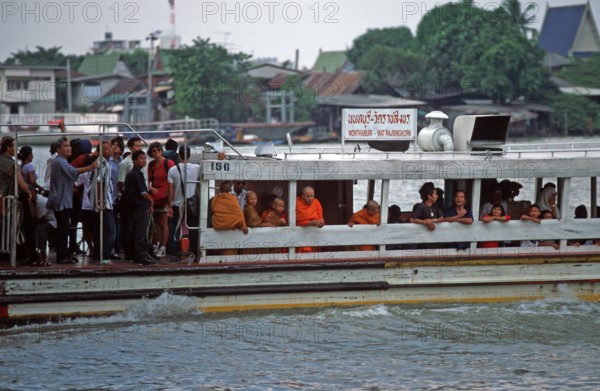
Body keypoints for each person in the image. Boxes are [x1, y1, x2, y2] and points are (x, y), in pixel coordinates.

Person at [46, 137, 99, 264]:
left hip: (64, 199)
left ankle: (65, 253)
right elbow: (74, 172)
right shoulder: (60, 162)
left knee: (64, 228)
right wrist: (91, 166)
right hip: (61, 200)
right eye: (65, 146)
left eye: (69, 145)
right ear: (58, 149)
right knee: (63, 229)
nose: (69, 148)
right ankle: (62, 256)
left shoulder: (62, 161)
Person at [0, 136, 38, 264]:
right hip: (12, 199)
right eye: (15, 146)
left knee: (13, 228)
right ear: (8, 149)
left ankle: (20, 254)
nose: (17, 149)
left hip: (5, 199)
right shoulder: (9, 163)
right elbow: (21, 183)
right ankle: (31, 256)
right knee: (26, 226)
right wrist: (28, 193)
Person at [167, 146, 201, 257]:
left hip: (177, 204)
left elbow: (170, 191)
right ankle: (194, 251)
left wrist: (169, 206)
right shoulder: (197, 168)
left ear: (178, 155)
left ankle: (173, 253)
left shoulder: (172, 170)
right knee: (193, 229)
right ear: (190, 155)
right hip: (191, 204)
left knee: (175, 229)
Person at [123, 150, 155, 265]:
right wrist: (151, 202)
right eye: (141, 158)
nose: (144, 160)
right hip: (139, 207)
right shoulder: (136, 174)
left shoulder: (134, 174)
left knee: (135, 232)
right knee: (140, 233)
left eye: (145, 158)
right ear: (135, 160)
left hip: (135, 207)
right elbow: (143, 193)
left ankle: (133, 254)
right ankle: (141, 256)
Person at [147, 141, 175, 258]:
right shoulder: (151, 165)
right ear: (151, 152)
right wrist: (150, 188)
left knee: (163, 222)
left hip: (165, 195)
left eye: (159, 150)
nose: (157, 152)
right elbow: (147, 181)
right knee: (155, 224)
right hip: (155, 195)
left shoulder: (168, 163)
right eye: (154, 150)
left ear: (162, 151)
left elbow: (174, 180)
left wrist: (170, 202)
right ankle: (155, 245)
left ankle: (163, 247)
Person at [295, 186, 324, 253]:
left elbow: (320, 218)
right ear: (302, 196)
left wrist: (321, 223)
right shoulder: (297, 203)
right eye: (308, 196)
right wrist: (311, 222)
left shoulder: (316, 203)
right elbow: (297, 221)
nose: (310, 198)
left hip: (314, 233)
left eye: (312, 196)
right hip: (301, 233)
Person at [32, 191, 56, 266]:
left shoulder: (41, 202)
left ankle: (42, 254)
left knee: (39, 228)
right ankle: (37, 253)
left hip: (53, 221)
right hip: (44, 220)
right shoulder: (34, 201)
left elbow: (40, 218)